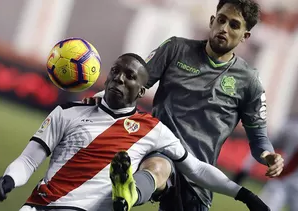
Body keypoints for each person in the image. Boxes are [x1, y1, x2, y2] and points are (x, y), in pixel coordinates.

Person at [0, 53, 270, 211]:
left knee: (165, 166)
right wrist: (9, 179)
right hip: (38, 206)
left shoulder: (153, 129)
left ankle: (128, 191)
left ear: (142, 90)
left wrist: (244, 195)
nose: (120, 78)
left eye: (130, 76)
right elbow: (29, 160)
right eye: (115, 71)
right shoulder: (66, 112)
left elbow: (196, 169)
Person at [82, 0, 284, 210]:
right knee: (158, 167)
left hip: (199, 178)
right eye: (221, 20)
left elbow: (259, 138)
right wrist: (102, 97)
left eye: (234, 25)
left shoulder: (249, 82)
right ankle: (127, 195)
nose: (224, 28)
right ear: (212, 21)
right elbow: (133, 85)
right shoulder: (176, 49)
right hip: (161, 151)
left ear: (245, 36)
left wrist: (268, 156)